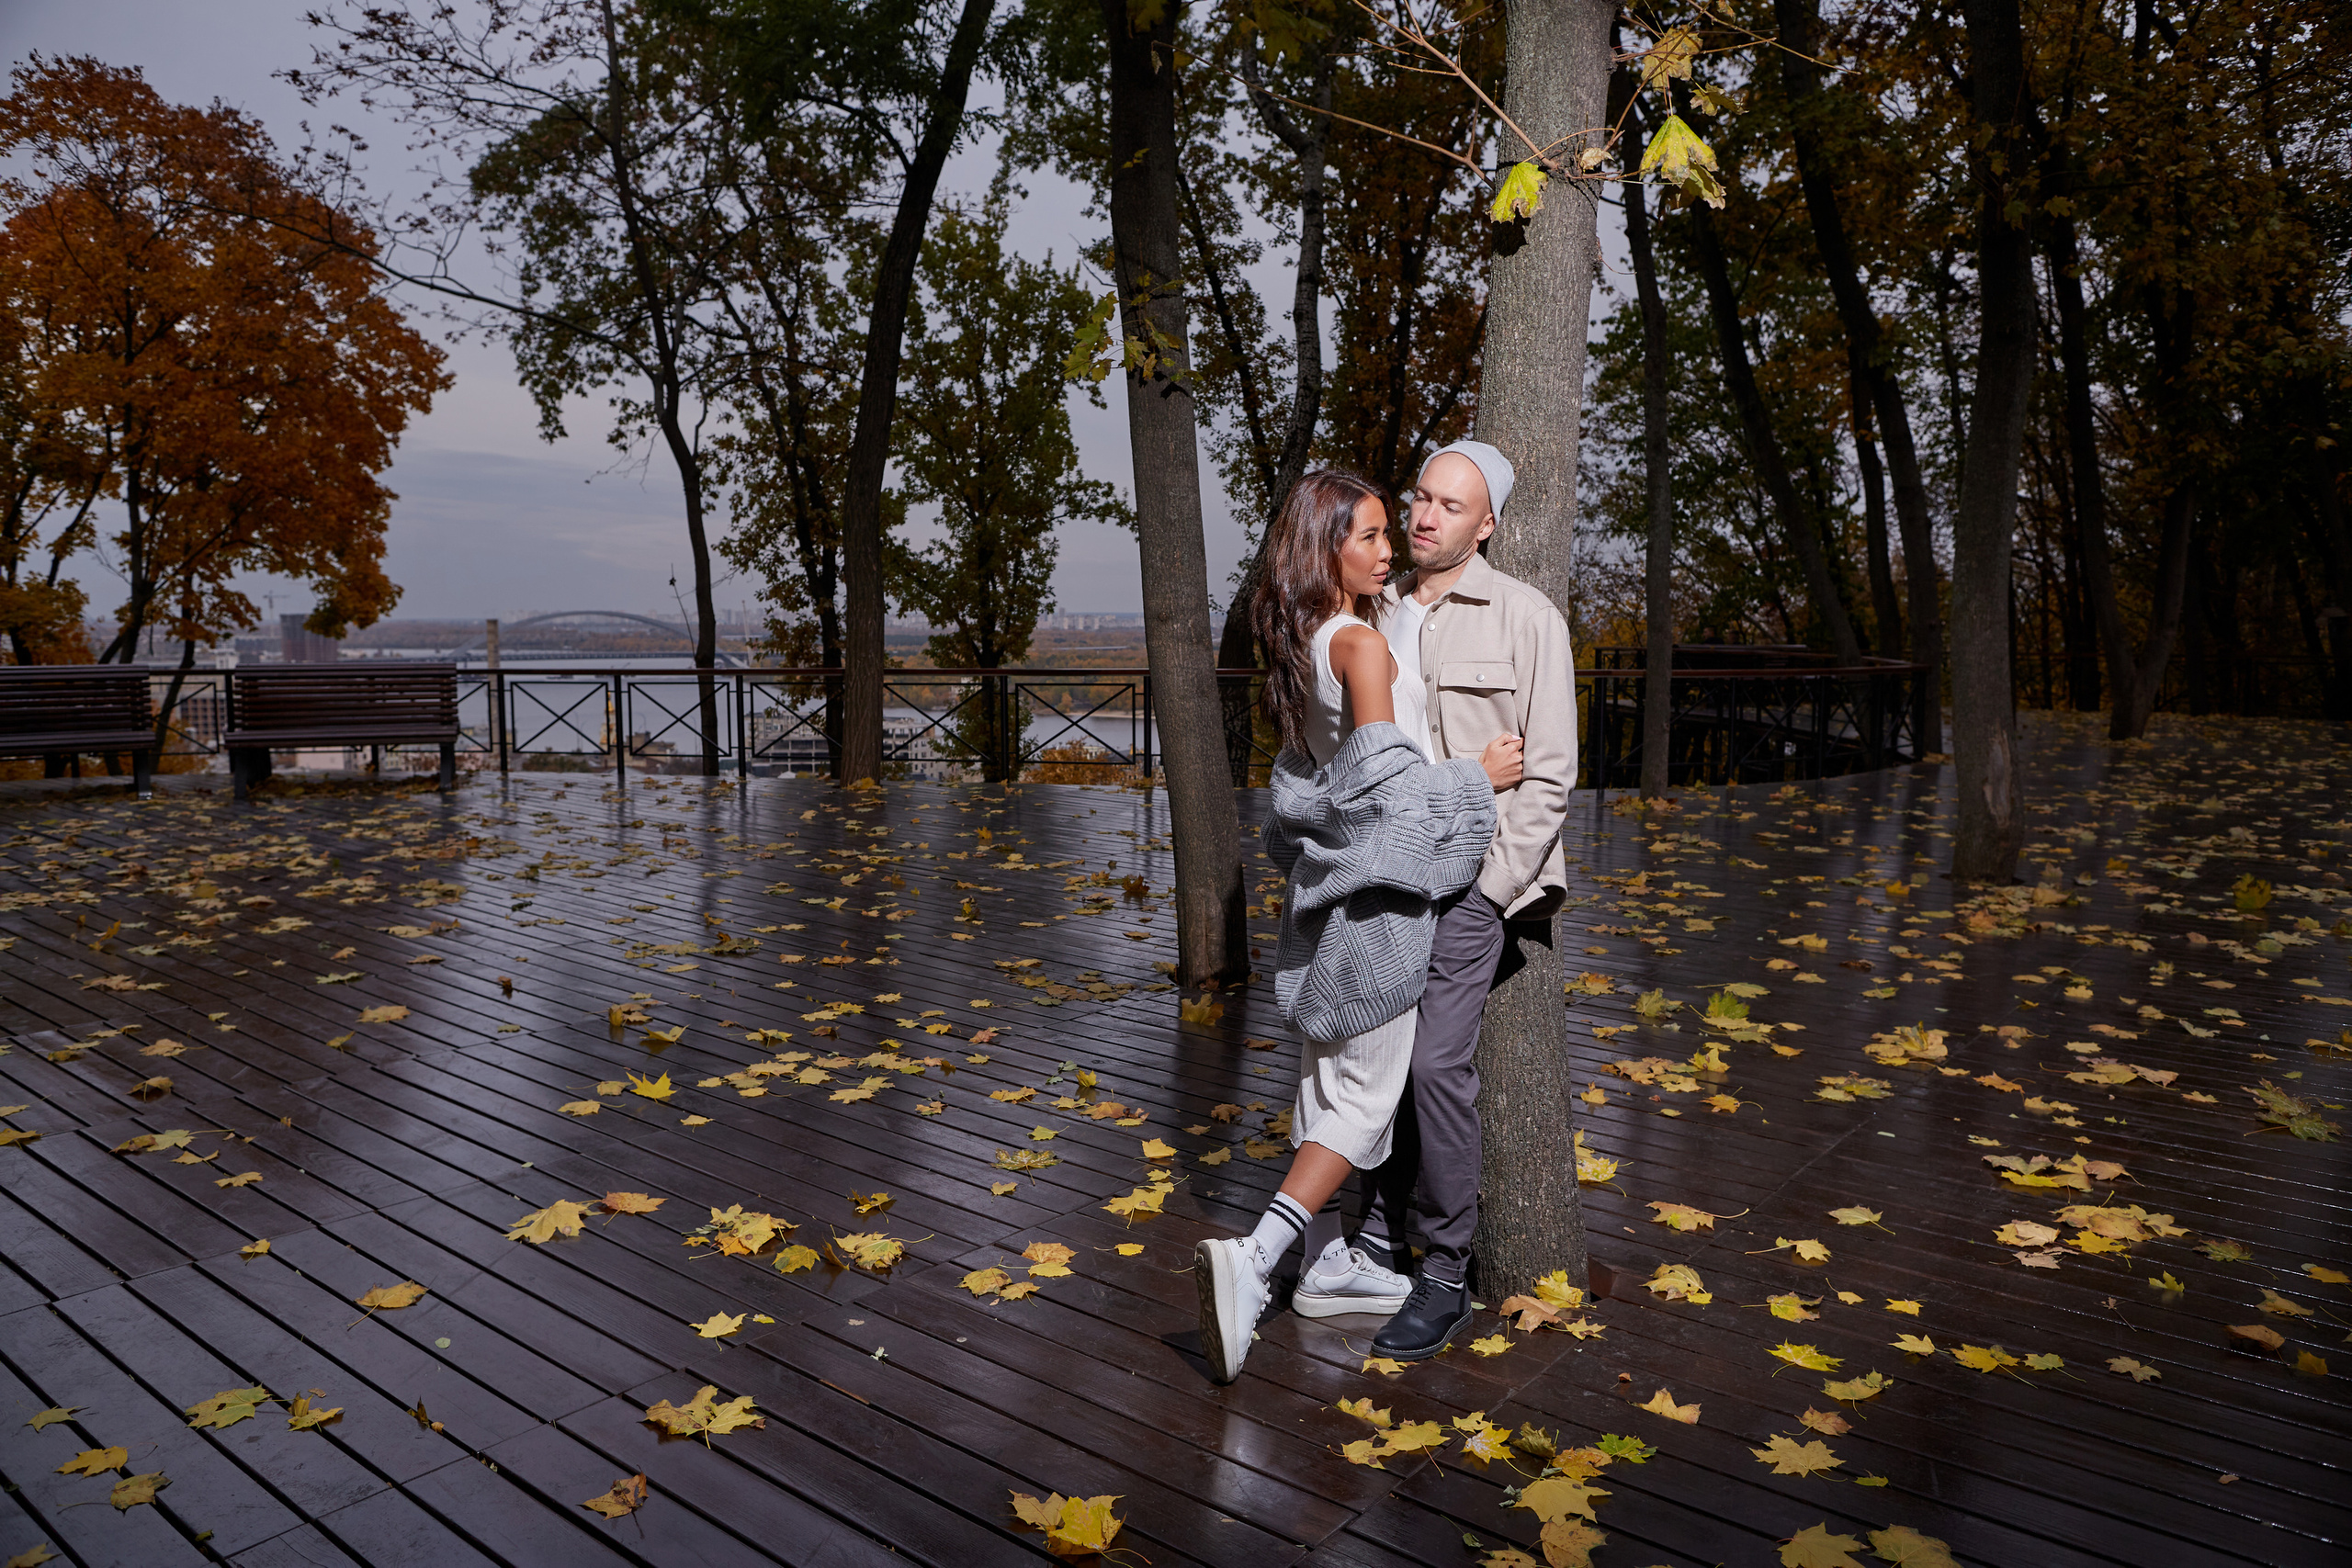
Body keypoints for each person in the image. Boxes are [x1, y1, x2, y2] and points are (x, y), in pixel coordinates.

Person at [1193, 468, 1525, 1386]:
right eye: (1369, 536)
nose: (1390, 549)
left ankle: (1338, 1267)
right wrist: (1476, 779)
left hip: (1326, 908)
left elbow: (1325, 784)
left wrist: (1409, 620)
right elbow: (1394, 802)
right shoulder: (1363, 653)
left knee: (1327, 1085)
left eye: (1391, 532)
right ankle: (1257, 1258)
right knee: (1364, 1103)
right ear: (1325, 548)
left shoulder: (1310, 644)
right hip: (1380, 915)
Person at [1359, 438, 1577, 1361]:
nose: (1423, 516)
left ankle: (1443, 1271)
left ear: (1485, 524)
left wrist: (1490, 893)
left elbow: (1553, 773)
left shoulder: (1526, 618)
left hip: (1475, 884)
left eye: (1449, 506)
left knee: (1435, 1069)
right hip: (1386, 871)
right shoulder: (1378, 613)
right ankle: (1368, 1238)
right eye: (1419, 497)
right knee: (1367, 1054)